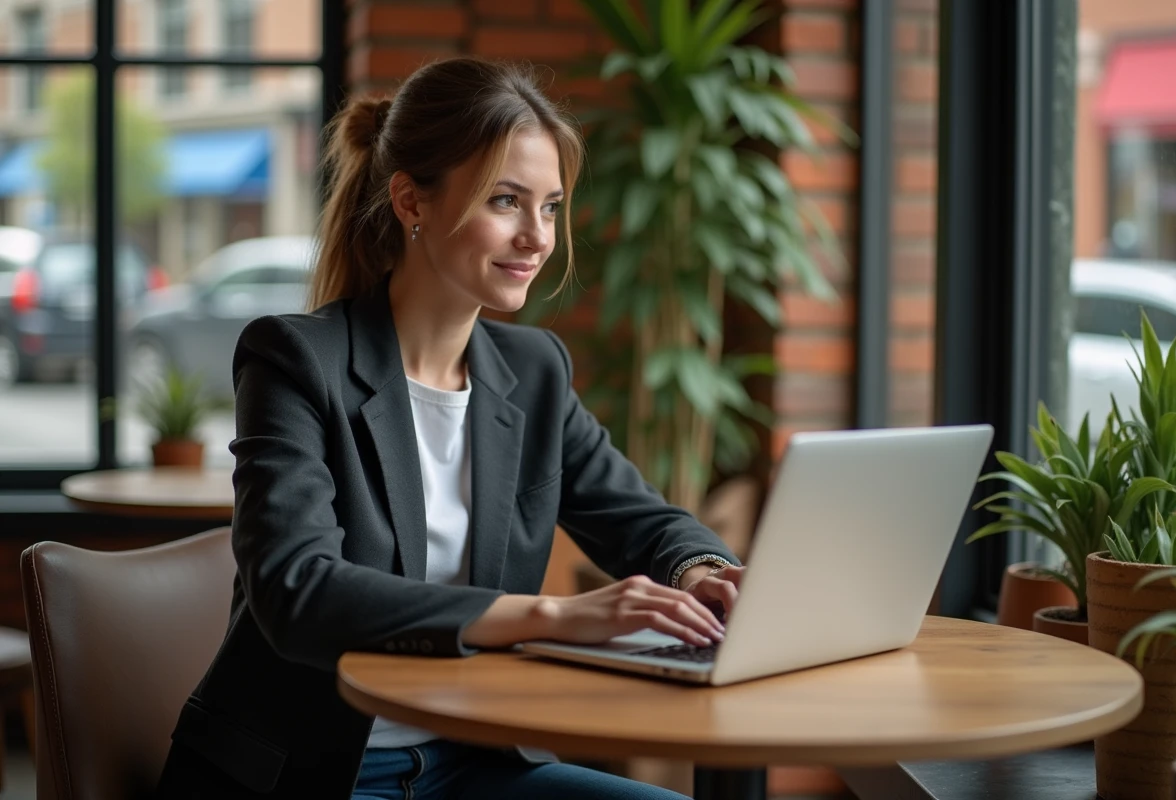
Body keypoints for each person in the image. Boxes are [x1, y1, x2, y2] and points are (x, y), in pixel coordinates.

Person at [155, 56, 744, 800]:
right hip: (312, 778)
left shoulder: (534, 372)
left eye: (552, 207)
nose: (537, 236)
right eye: (507, 201)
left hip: (476, 765)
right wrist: (554, 617)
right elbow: (297, 592)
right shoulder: (295, 358)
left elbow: (641, 518)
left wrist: (706, 572)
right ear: (411, 202)